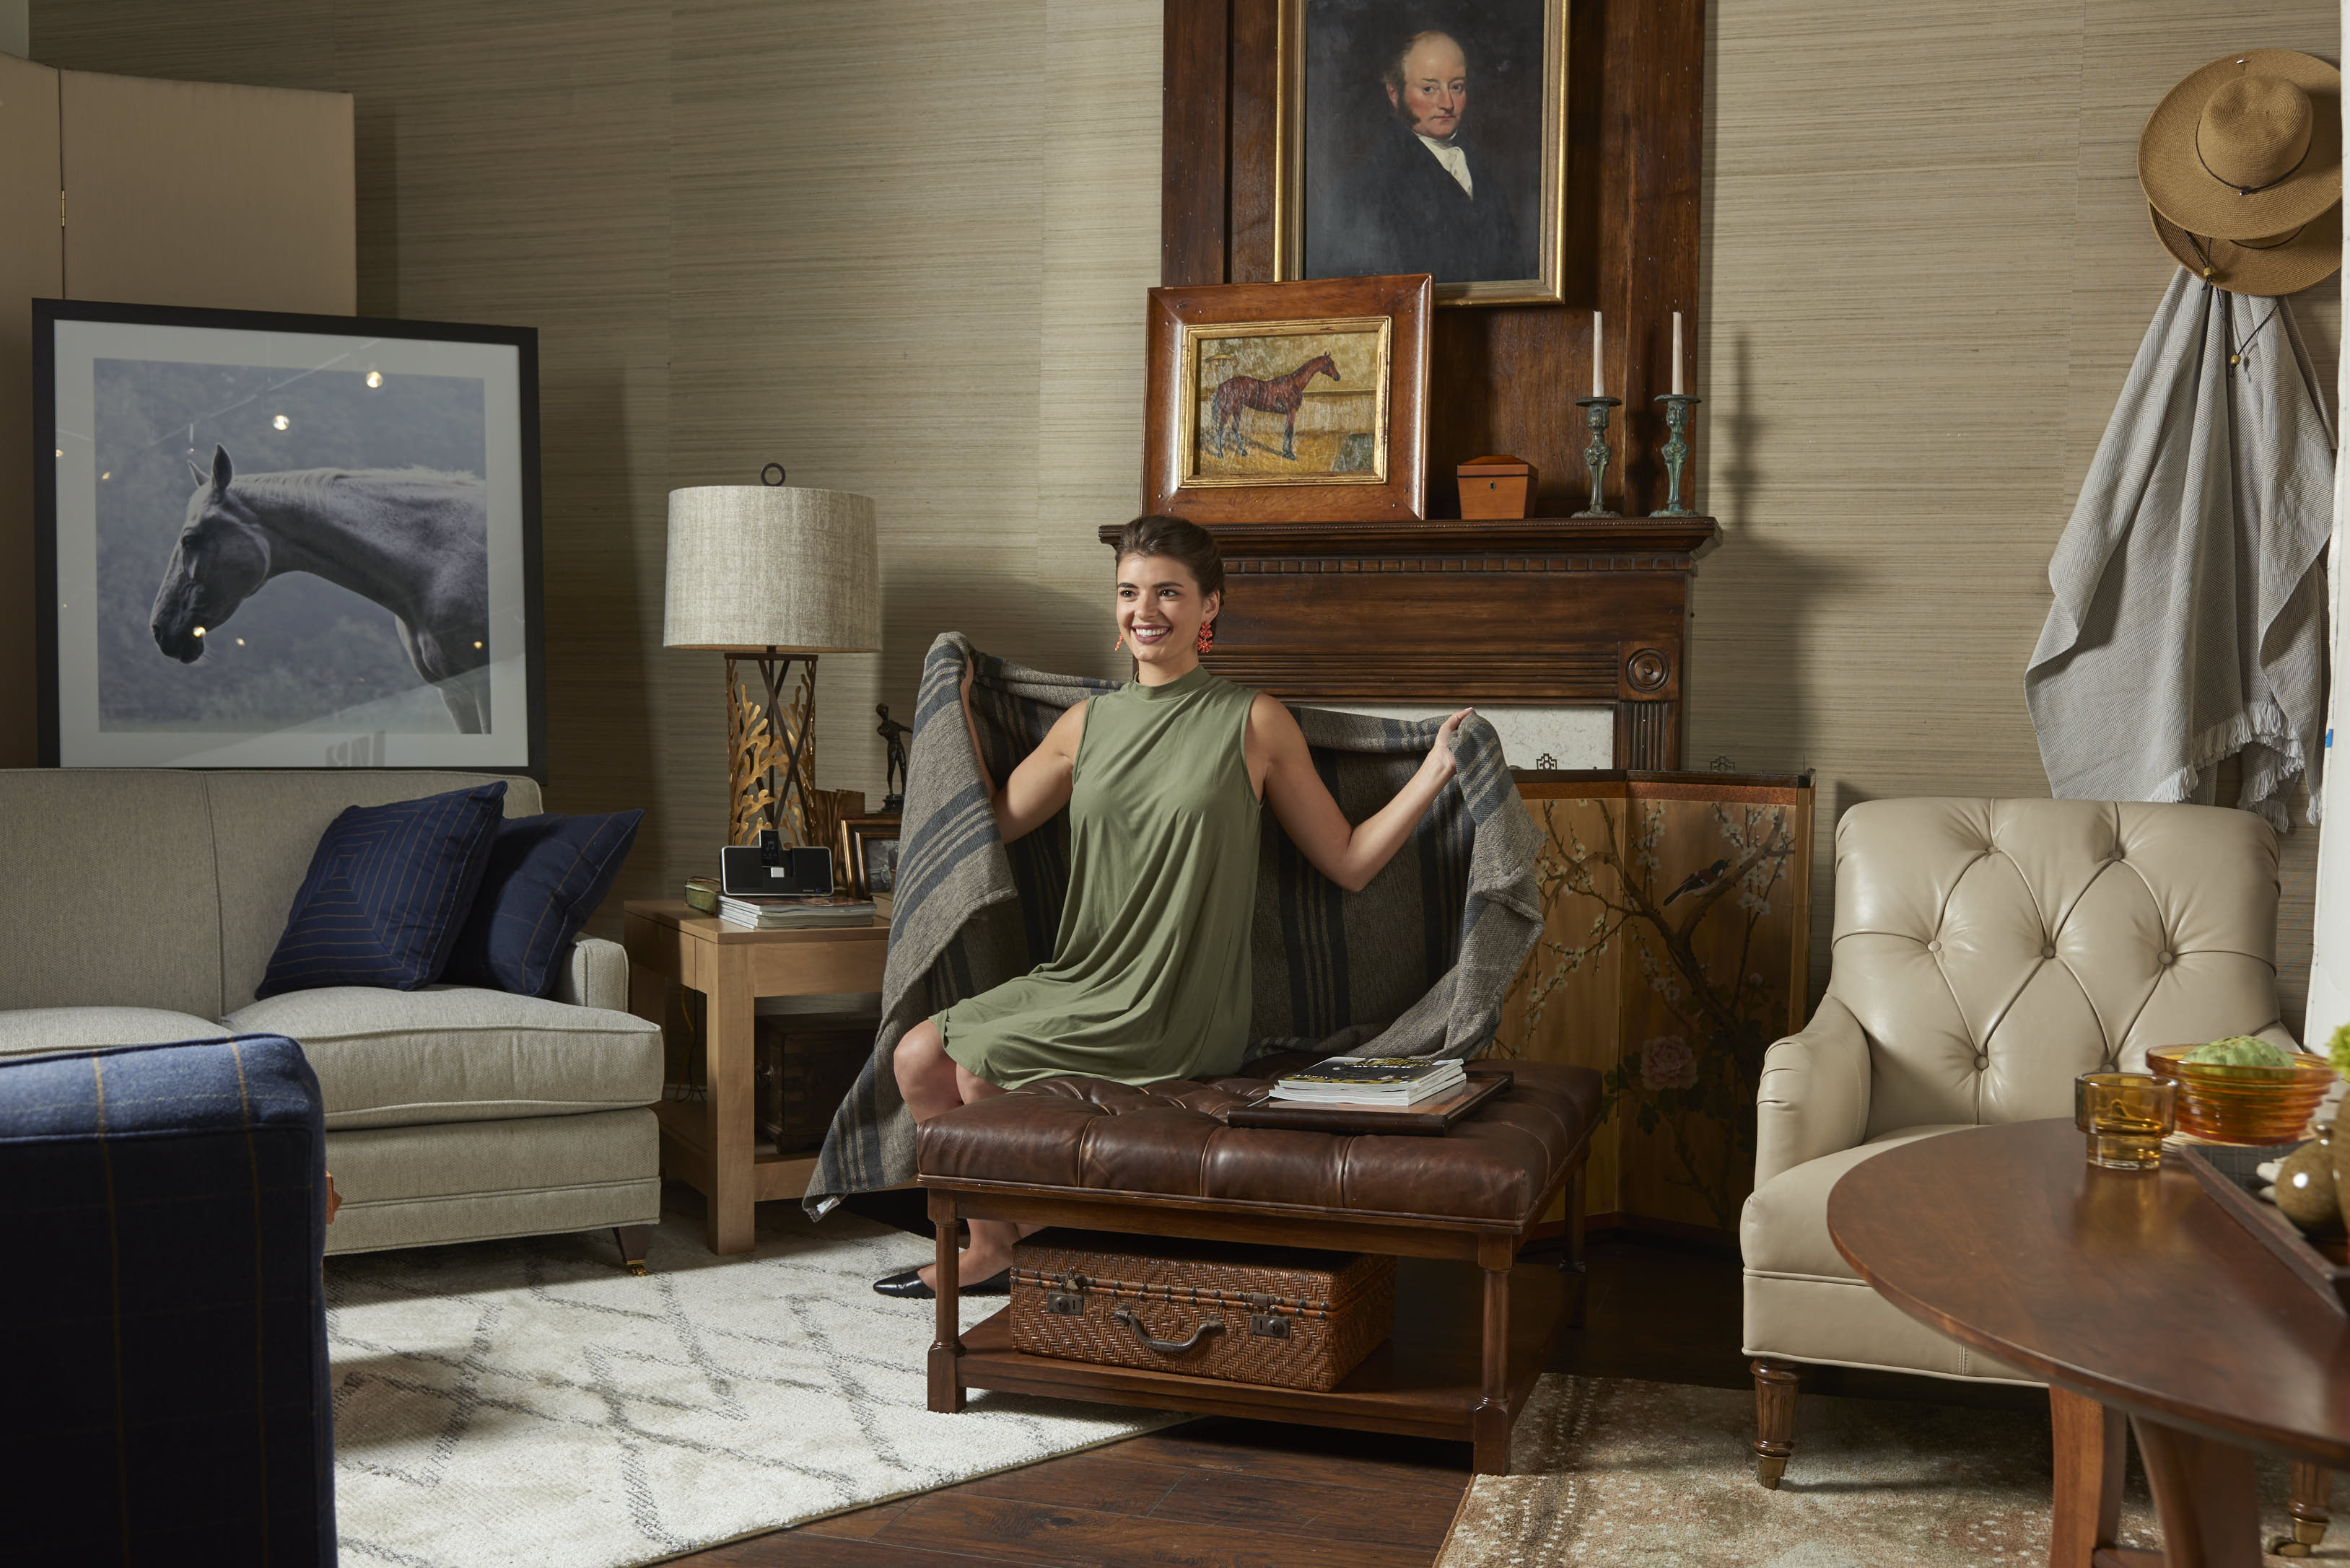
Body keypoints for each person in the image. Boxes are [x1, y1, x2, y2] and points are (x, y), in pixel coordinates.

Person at [873, 514, 1470, 1297]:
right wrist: (953, 716)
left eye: (1168, 592)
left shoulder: (1253, 721)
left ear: (1209, 606)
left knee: (982, 1080)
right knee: (916, 1056)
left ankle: (1032, 1248)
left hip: (1177, 1001)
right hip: (1080, 977)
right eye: (1128, 592)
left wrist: (1434, 772)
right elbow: (996, 822)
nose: (1144, 610)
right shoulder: (1084, 725)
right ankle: (994, 1246)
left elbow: (1349, 861)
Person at [1311, 28, 1529, 284]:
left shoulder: (1484, 171)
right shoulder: (1366, 189)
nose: (1447, 103)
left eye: (1456, 87)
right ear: (1394, 93)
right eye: (1429, 89)